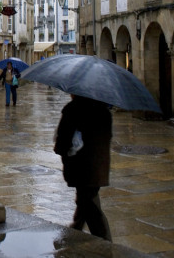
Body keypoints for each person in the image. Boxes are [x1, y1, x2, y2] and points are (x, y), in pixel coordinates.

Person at [53, 95, 112, 241]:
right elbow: (108, 136)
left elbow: (63, 140)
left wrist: (61, 148)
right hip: (99, 167)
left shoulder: (73, 109)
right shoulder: (104, 111)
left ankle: (105, 241)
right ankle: (76, 228)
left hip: (81, 166)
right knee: (86, 197)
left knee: (90, 205)